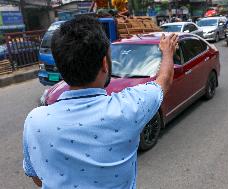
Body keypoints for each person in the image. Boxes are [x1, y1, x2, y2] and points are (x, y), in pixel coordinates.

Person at [22, 15, 178, 189]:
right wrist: (167, 51)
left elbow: (36, 177)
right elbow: (164, 80)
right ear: (105, 63)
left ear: (60, 66)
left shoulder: (35, 120)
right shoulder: (128, 107)